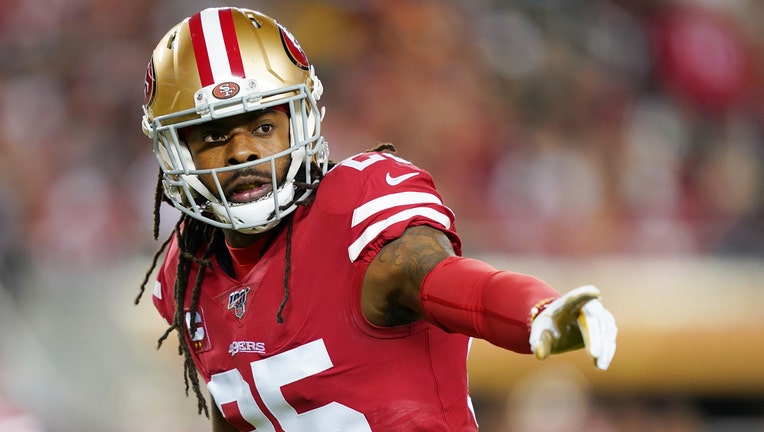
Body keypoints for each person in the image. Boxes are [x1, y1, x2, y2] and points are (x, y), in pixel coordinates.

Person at [136, 7, 617, 431]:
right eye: (215, 137)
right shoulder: (189, 269)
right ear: (176, 152)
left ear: (301, 121)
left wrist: (533, 310)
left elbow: (438, 277)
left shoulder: (352, 210)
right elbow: (240, 414)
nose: (243, 152)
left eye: (263, 127)